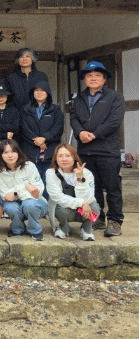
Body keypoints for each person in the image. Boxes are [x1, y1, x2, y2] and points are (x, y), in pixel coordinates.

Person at [70, 61, 125, 237]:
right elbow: (73, 118)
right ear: (84, 79)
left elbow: (114, 121)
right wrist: (80, 132)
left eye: (97, 75)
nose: (93, 78)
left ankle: (115, 221)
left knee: (112, 187)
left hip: (107, 150)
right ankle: (98, 217)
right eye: (89, 75)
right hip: (85, 151)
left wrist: (94, 134)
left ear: (104, 78)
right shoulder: (78, 99)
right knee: (92, 188)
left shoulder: (115, 97)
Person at [0, 139, 47, 240]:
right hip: (13, 203)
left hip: (36, 203)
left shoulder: (29, 166)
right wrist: (24, 187)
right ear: (0, 155)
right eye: (6, 152)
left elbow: (37, 191)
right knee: (10, 207)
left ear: (18, 153)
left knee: (29, 204)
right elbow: (6, 196)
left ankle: (35, 230)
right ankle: (17, 229)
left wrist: (16, 194)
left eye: (13, 151)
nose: (10, 155)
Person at [46, 144, 100, 241]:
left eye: (68, 156)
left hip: (83, 210)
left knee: (95, 207)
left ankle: (86, 229)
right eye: (60, 156)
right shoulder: (51, 173)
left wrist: (80, 179)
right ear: (55, 158)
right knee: (59, 209)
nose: (64, 159)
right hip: (66, 208)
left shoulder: (86, 173)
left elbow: (89, 198)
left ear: (74, 157)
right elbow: (57, 197)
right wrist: (81, 203)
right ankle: (64, 227)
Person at [20, 81, 64, 187]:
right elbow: (24, 128)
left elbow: (58, 128)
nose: (39, 93)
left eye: (43, 90)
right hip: (30, 151)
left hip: (50, 151)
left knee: (49, 183)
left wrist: (45, 138)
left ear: (48, 93)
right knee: (33, 183)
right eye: (36, 90)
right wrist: (37, 141)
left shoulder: (55, 109)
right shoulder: (26, 109)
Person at [4, 48, 50, 114]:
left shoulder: (41, 76)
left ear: (32, 59)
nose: (24, 59)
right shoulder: (11, 77)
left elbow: (47, 96)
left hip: (36, 114)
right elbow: (7, 98)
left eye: (27, 56)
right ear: (18, 60)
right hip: (16, 114)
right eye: (21, 57)